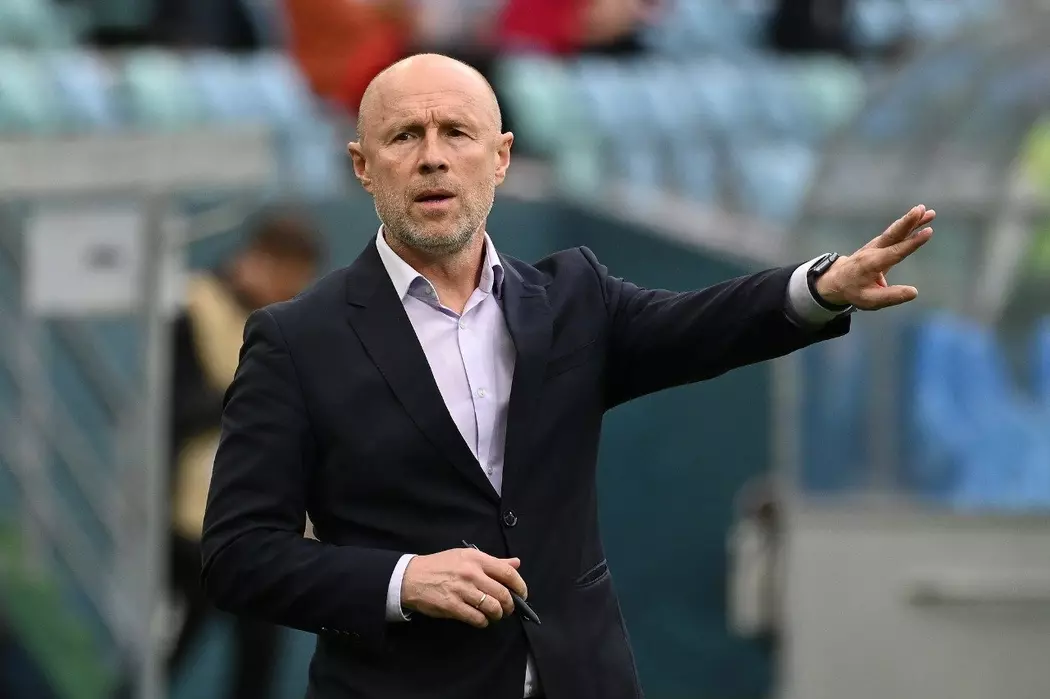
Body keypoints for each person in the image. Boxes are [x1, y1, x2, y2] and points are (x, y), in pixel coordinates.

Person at [199, 53, 935, 699]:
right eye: (404, 136)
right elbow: (238, 554)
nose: (433, 158)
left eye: (456, 132)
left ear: (501, 157)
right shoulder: (296, 340)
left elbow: (699, 324)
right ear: (363, 166)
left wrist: (821, 287)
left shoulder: (574, 297)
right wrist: (401, 580)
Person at [117, 210, 324, 699]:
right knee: (166, 653)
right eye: (288, 278)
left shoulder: (283, 323)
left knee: (258, 658)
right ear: (261, 261)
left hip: (262, 525)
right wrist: (249, 394)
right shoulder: (193, 306)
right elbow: (172, 409)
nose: (292, 291)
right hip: (190, 526)